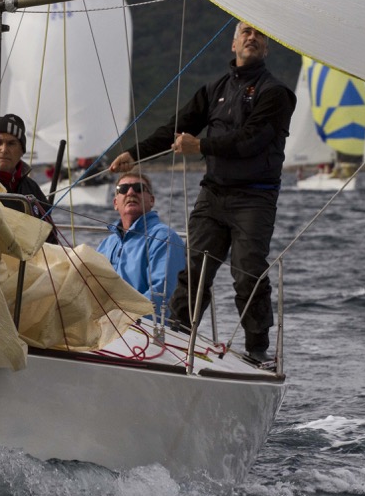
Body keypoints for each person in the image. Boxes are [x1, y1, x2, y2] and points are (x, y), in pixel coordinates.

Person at [108, 21, 296, 365]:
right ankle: (179, 335)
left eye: (259, 34)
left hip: (254, 197)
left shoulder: (276, 93)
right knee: (194, 269)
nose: (252, 37)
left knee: (247, 272)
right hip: (214, 194)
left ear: (267, 47)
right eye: (245, 32)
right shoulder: (215, 90)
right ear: (233, 44)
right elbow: (175, 129)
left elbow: (253, 139)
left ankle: (257, 349)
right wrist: (135, 153)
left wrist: (202, 145)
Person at [96, 172, 186, 321]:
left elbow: (162, 292)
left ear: (151, 201)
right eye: (123, 189)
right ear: (115, 203)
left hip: (145, 330)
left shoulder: (164, 237)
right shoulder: (106, 244)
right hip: (107, 325)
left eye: (139, 188)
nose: (131, 192)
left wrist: (121, 318)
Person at [0, 113, 53, 219]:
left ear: (21, 151)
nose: (4, 150)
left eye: (11, 143)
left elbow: (48, 232)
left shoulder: (32, 188)